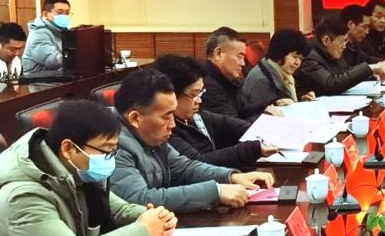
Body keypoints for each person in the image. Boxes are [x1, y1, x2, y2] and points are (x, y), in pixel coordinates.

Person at [0, 99, 176, 236]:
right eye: (105, 151)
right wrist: (143, 231)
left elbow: (118, 211)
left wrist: (153, 217)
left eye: (113, 150)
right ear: (68, 148)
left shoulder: (79, 172)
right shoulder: (23, 195)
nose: (110, 158)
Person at [111, 69, 269, 213]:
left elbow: (183, 168)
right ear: (135, 118)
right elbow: (140, 200)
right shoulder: (111, 145)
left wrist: (231, 177)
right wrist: (215, 192)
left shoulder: (150, 135)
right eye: (166, 116)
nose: (173, 124)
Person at [157, 54, 269, 169]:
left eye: (200, 93)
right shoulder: (165, 129)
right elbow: (197, 163)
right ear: (171, 95)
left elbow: (228, 123)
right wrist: (251, 149)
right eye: (193, 95)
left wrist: (263, 135)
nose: (199, 100)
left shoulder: (196, 115)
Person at [302, 16, 385, 95]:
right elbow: (331, 85)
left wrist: (369, 73)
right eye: (342, 42)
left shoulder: (331, 51)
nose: (344, 46)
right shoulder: (309, 57)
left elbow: (345, 71)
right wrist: (369, 68)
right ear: (326, 40)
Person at [242, 28, 310, 112]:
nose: (298, 63)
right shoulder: (261, 80)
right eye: (295, 57)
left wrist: (300, 101)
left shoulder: (280, 71)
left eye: (301, 58)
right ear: (279, 53)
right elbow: (263, 115)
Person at [200, 28, 254, 119]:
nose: (243, 63)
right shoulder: (205, 85)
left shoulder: (230, 80)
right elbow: (233, 123)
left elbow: (245, 109)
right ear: (218, 54)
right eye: (239, 57)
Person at [20, 0, 74, 78]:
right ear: (45, 14)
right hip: (36, 80)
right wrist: (77, 60)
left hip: (54, 75)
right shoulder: (38, 33)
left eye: (67, 13)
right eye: (59, 12)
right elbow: (53, 60)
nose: (64, 16)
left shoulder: (59, 30)